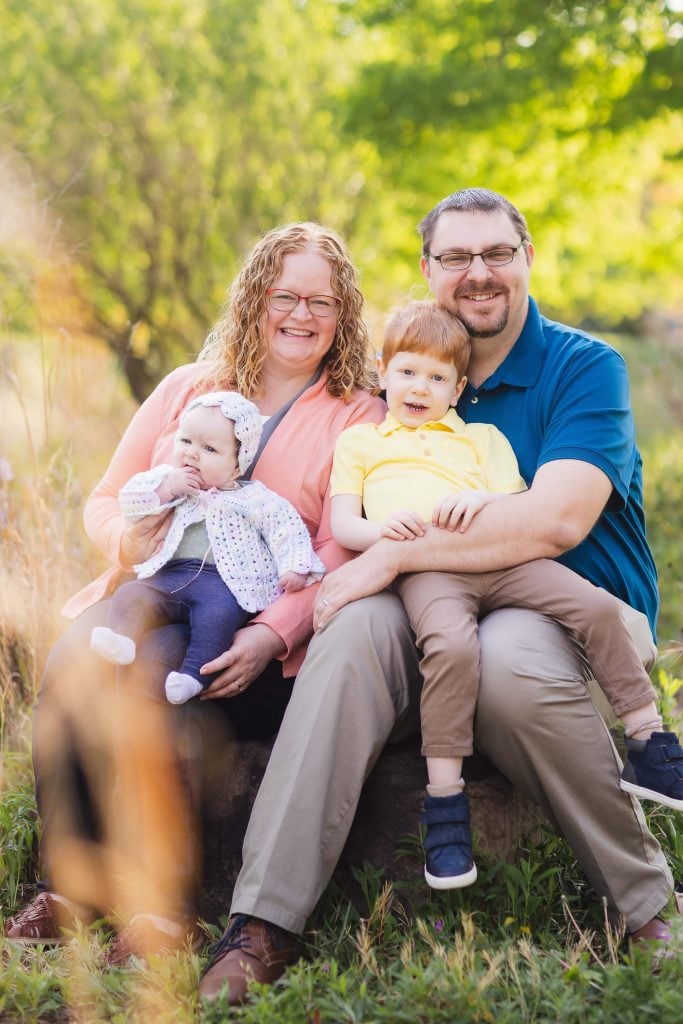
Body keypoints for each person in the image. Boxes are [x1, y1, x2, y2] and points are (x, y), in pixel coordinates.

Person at [199, 188, 680, 1005]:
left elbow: (555, 519)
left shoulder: (581, 366)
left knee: (509, 663)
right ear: (427, 271)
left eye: (496, 252)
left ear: (527, 258)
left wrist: (384, 559)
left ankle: (646, 908)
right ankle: (264, 920)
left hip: (559, 606)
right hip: (427, 597)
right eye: (455, 257)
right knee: (349, 638)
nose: (477, 272)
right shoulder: (404, 376)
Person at [4, 222, 385, 963]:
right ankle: (70, 888)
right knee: (72, 664)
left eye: (322, 301)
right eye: (284, 296)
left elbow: (341, 544)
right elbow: (107, 497)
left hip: (256, 635)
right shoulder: (189, 387)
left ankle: (164, 915)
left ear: (344, 314)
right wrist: (130, 539)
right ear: (254, 300)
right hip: (144, 599)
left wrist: (274, 630)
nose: (301, 315)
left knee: (154, 698)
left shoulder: (357, 411)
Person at [330, 298, 683, 890]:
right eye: (408, 372)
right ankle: (445, 804)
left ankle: (650, 739)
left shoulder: (482, 437)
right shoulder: (361, 443)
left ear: (458, 386)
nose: (420, 388)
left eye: (438, 378)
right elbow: (343, 523)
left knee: (592, 605)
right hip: (428, 572)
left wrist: (486, 501)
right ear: (382, 370)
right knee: (450, 648)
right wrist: (379, 535)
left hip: (501, 559)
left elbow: (520, 499)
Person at [90, 390, 325, 705]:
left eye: (209, 448)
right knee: (132, 595)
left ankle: (191, 677)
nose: (192, 454)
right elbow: (129, 500)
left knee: (216, 620)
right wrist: (166, 488)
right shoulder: (170, 480)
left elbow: (287, 529)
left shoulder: (254, 498)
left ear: (237, 463)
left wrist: (295, 565)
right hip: (171, 575)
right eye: (186, 442)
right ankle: (121, 639)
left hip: (224, 586)